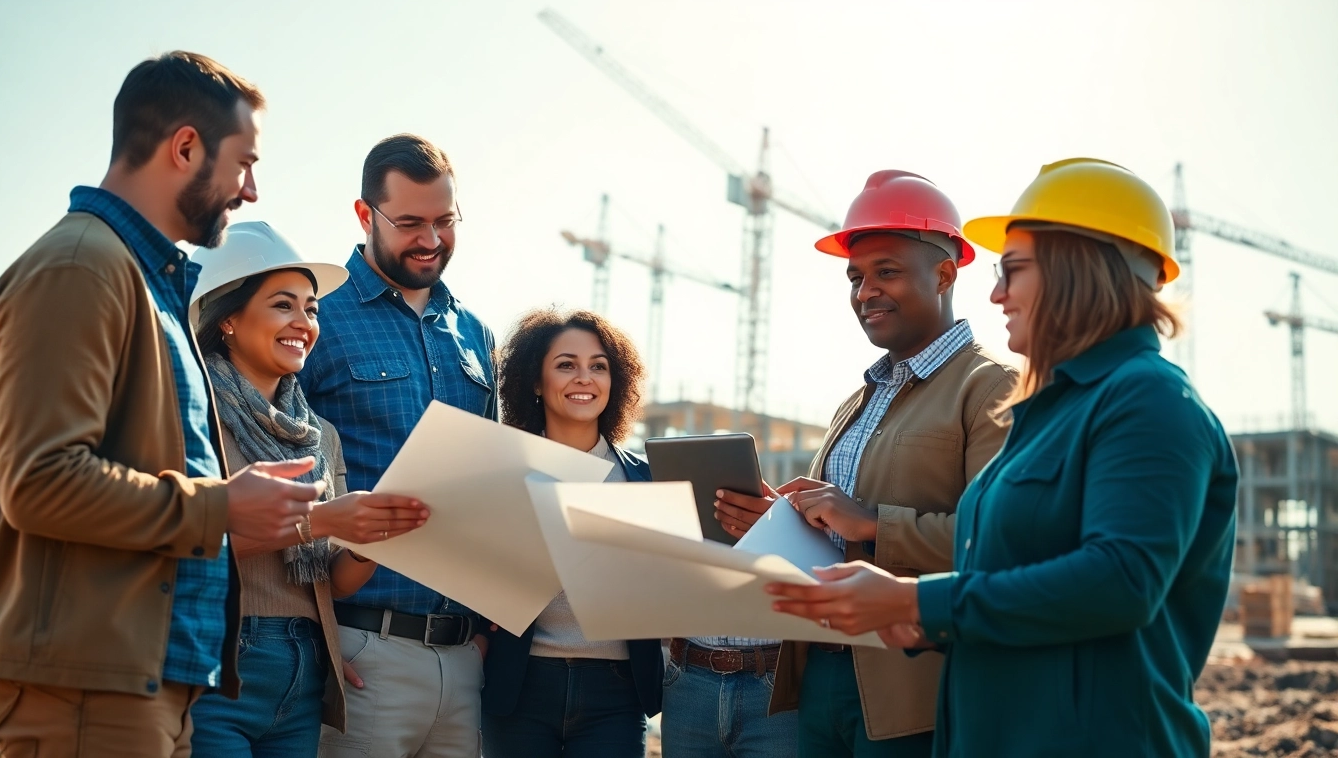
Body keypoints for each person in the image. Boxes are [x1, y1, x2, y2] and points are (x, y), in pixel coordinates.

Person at [768, 158, 1239, 757]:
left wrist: (916, 600)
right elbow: (1008, 575)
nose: (995, 294)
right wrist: (921, 622)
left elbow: (1120, 581)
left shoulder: (1149, 401)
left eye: (1011, 271)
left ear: (1079, 270)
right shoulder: (1050, 413)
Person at [0, 52, 328, 758]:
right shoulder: (81, 267)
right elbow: (39, 480)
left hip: (151, 691)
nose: (251, 190)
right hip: (88, 697)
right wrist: (221, 507)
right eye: (244, 163)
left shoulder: (144, 283)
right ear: (185, 147)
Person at [713, 171, 1015, 757]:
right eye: (856, 277)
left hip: (912, 689)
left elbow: (999, 541)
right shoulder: (856, 402)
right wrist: (784, 522)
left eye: (887, 272)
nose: (865, 291)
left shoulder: (990, 387)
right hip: (820, 676)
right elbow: (839, 538)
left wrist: (872, 521)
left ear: (946, 274)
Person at [184, 222, 430, 757]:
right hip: (217, 662)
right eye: (283, 306)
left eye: (311, 309)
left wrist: (370, 537)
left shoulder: (323, 438)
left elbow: (333, 582)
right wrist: (320, 521)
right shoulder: (191, 421)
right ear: (227, 318)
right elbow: (187, 547)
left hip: (307, 668)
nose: (304, 322)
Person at [300, 134, 496, 758]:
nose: (431, 240)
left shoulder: (476, 333)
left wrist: (483, 631)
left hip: (462, 660)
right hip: (361, 650)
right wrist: (325, 642)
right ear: (365, 215)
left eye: (445, 221)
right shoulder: (315, 318)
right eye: (410, 222)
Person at [481, 308, 664, 758]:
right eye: (566, 364)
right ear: (536, 382)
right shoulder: (502, 471)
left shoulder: (649, 479)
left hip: (615, 694)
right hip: (519, 686)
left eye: (598, 366)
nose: (585, 377)